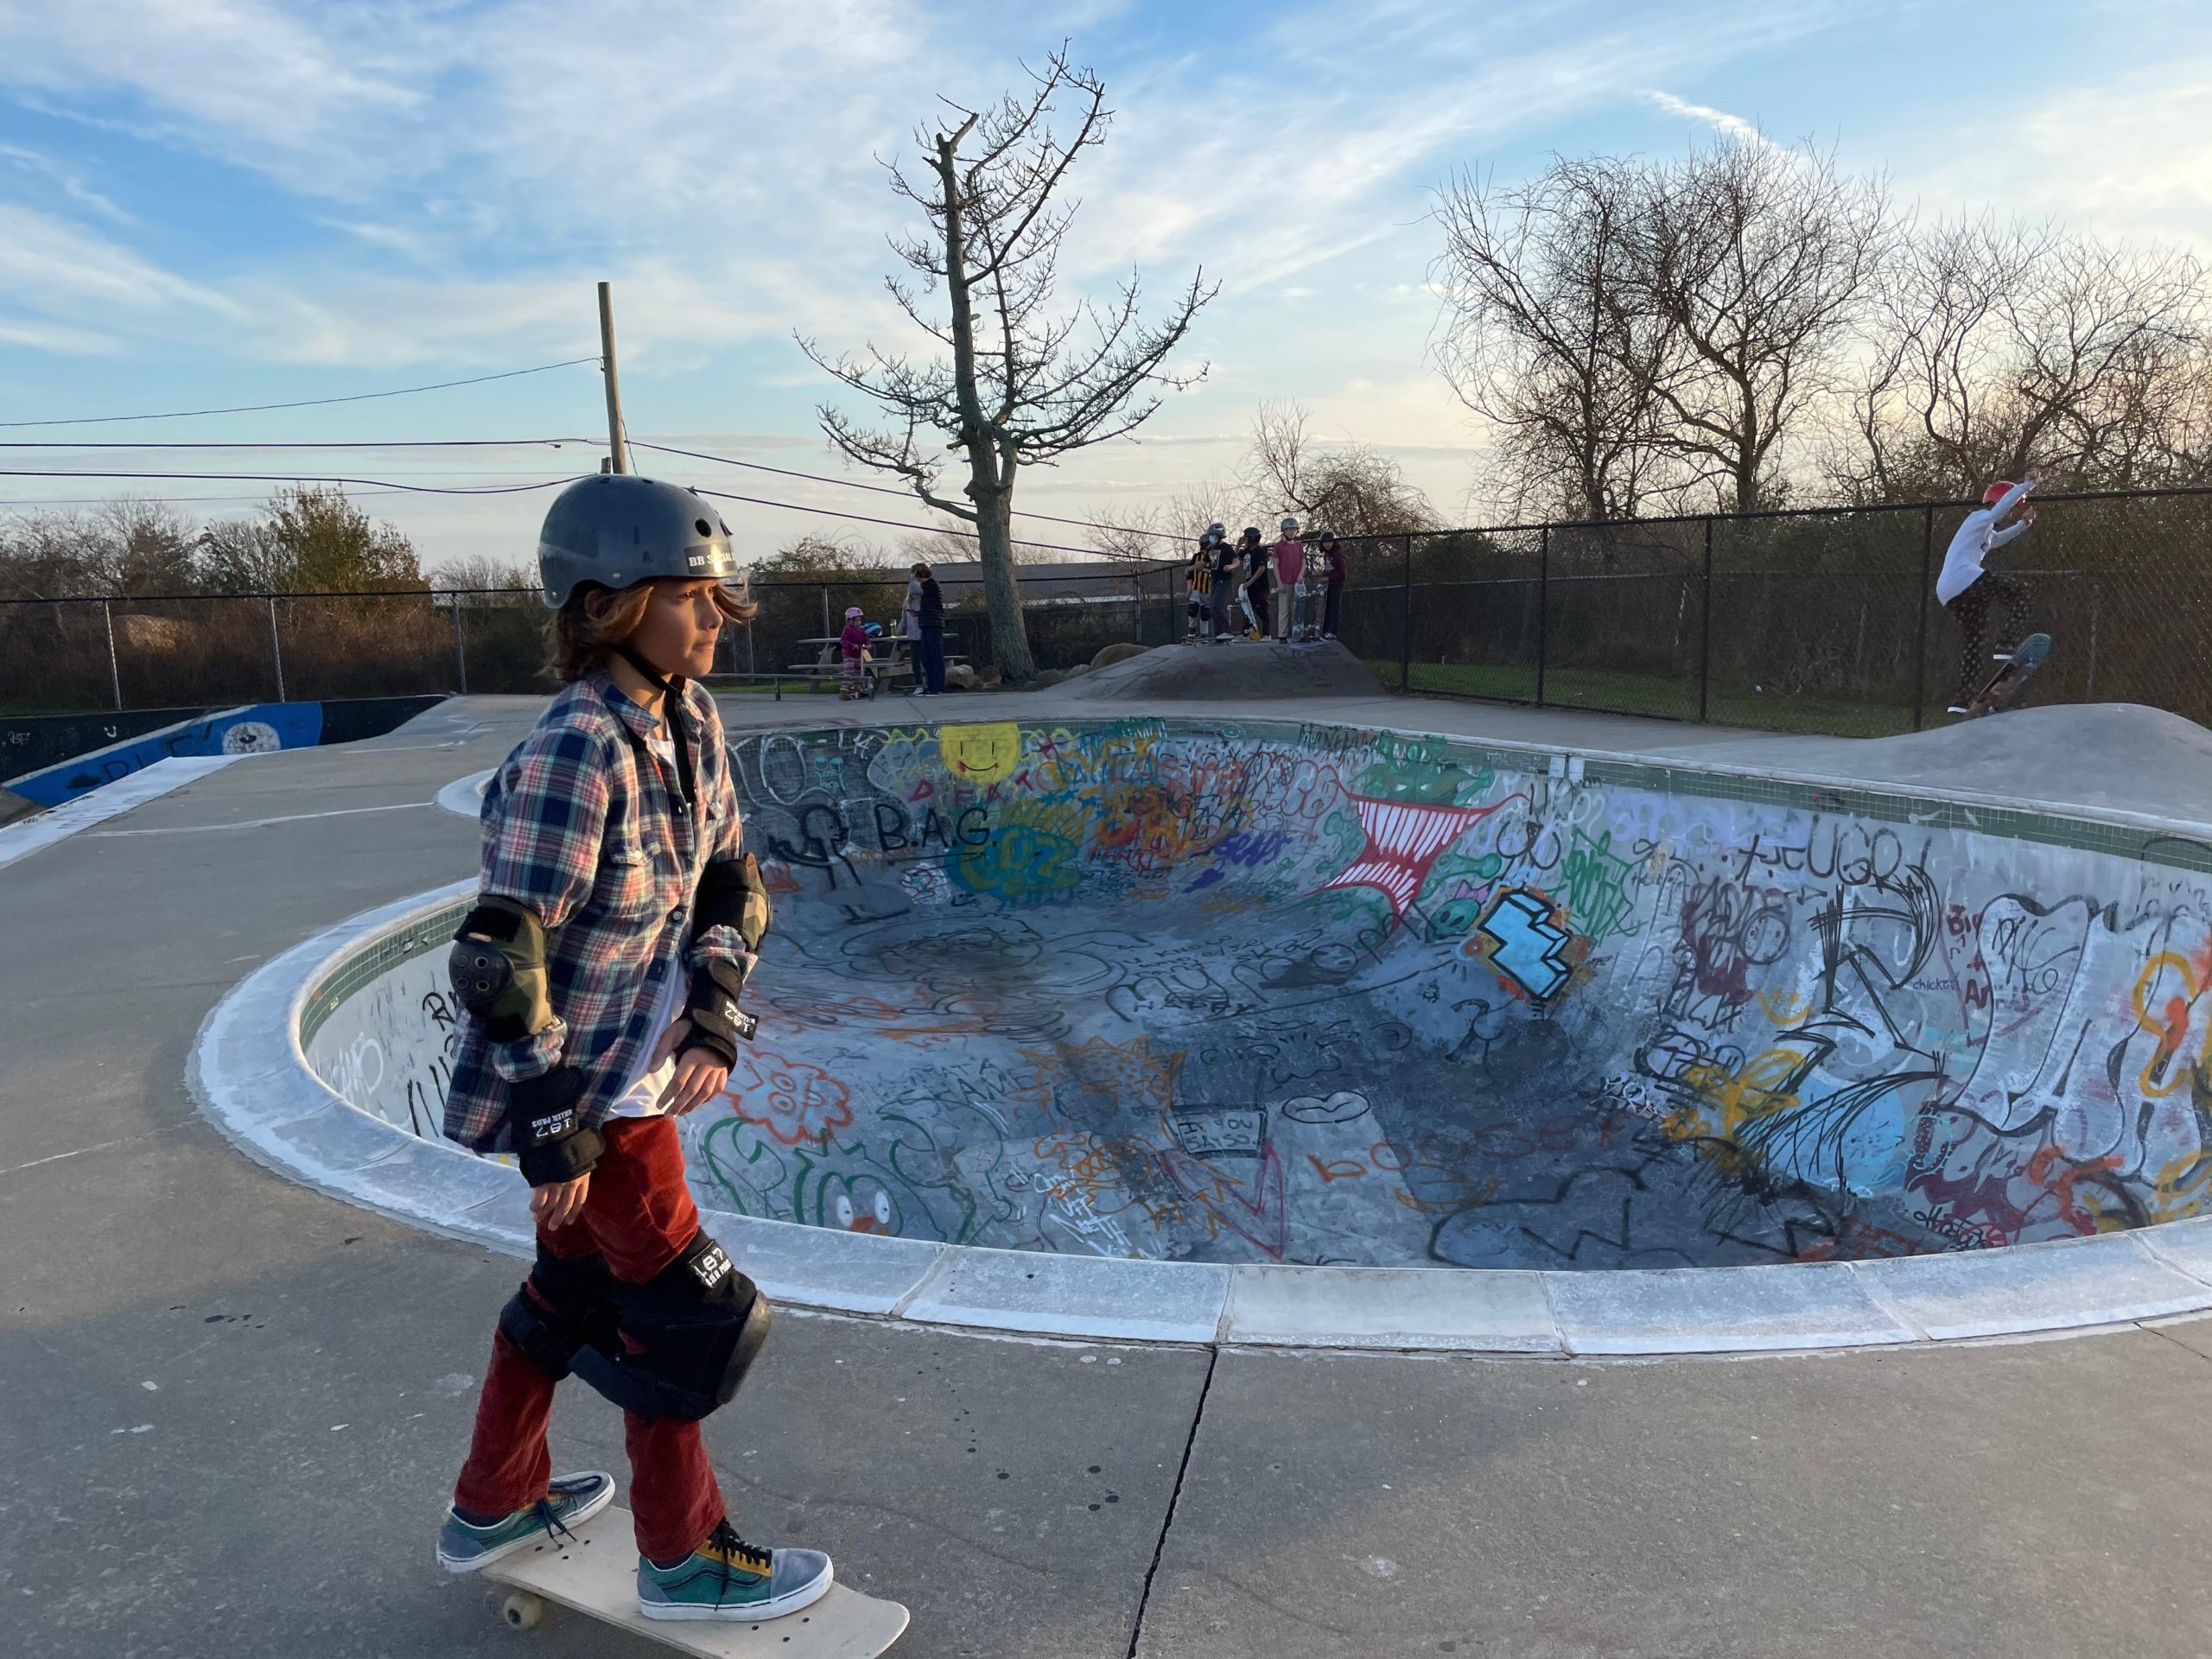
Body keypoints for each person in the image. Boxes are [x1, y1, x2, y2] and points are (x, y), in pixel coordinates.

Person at [435, 474, 830, 1624]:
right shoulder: (575, 753)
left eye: (717, 595)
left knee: (568, 1296)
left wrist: (714, 1004)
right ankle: (684, 1558)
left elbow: (731, 882)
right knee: (688, 1321)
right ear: (610, 602)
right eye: (689, 595)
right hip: (586, 1091)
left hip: (639, 1069)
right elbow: (504, 956)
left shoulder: (694, 723)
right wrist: (552, 1127)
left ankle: (494, 1500)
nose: (715, 617)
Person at [1937, 476, 2039, 714]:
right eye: (2009, 510)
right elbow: (2000, 509)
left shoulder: (1984, 531)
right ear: (1998, 502)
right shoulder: (1979, 517)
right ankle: (2006, 643)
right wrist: (2027, 485)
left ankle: (1961, 703)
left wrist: (2023, 525)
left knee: (1975, 641)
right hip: (1966, 580)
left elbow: (1998, 541)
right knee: (2021, 594)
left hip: (1951, 593)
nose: (2007, 516)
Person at [912, 562, 947, 695]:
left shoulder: (931, 586)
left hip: (934, 624)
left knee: (935, 654)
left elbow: (916, 591)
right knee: (925, 655)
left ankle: (938, 685)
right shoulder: (926, 587)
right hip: (926, 623)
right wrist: (918, 614)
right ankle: (932, 684)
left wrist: (913, 582)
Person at [1188, 524, 1224, 641]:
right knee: (1192, 608)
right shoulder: (1196, 557)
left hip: (1208, 589)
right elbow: (1190, 573)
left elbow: (1216, 571)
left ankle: (1204, 634)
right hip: (1196, 587)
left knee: (1205, 612)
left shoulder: (1214, 556)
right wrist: (1189, 587)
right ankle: (1192, 629)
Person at [1270, 517, 1304, 641]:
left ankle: (1298, 633)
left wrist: (1301, 575)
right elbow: (1275, 565)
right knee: (1284, 610)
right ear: (1283, 530)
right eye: (1289, 529)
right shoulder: (1279, 546)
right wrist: (1279, 582)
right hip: (1285, 581)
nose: (1292, 532)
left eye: (1294, 529)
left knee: (1298, 609)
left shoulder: (1299, 545)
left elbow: (1303, 563)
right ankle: (1282, 635)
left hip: (1297, 583)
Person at [1236, 526, 1269, 641]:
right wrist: (1238, 544)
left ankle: (1267, 634)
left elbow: (1261, 569)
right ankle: (1246, 634)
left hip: (1259, 586)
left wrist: (1250, 582)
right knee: (1246, 609)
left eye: (1246, 538)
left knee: (1261, 609)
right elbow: (1234, 558)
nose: (1244, 540)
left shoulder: (1260, 551)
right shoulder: (1246, 552)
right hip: (1248, 586)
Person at [1211, 527, 1243, 643]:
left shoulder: (1226, 548)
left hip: (1224, 580)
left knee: (1216, 606)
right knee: (1212, 609)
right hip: (1214, 581)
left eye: (1213, 535)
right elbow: (1203, 563)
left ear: (1218, 536)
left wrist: (1230, 567)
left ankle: (1227, 631)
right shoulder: (1212, 548)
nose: (1211, 538)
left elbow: (1237, 561)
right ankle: (1218, 635)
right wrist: (1191, 568)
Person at [1316, 531, 1346, 639]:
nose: (1327, 544)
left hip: (1336, 585)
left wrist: (1328, 578)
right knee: (1326, 608)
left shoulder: (1337, 555)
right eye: (1325, 542)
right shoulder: (1326, 555)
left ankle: (1333, 631)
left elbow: (1341, 573)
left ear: (1334, 543)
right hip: (1328, 585)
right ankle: (1325, 630)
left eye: (1329, 542)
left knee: (1334, 608)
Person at [837, 606, 868, 701]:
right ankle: (844, 691)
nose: (859, 623)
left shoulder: (861, 630)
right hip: (849, 655)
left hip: (858, 655)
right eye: (857, 620)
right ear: (850, 621)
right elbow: (843, 641)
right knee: (849, 672)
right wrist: (852, 645)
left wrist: (868, 644)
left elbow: (866, 638)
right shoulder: (847, 629)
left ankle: (857, 690)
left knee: (858, 673)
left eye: (860, 620)